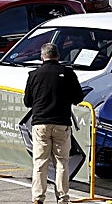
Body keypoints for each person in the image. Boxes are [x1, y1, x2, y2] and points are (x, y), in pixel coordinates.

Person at [24, 41, 84, 204]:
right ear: (58, 56)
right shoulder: (68, 73)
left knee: (40, 162)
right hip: (61, 123)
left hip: (40, 123)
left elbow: (27, 102)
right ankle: (63, 198)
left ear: (42, 57)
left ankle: (38, 197)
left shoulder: (34, 75)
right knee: (62, 162)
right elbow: (78, 97)